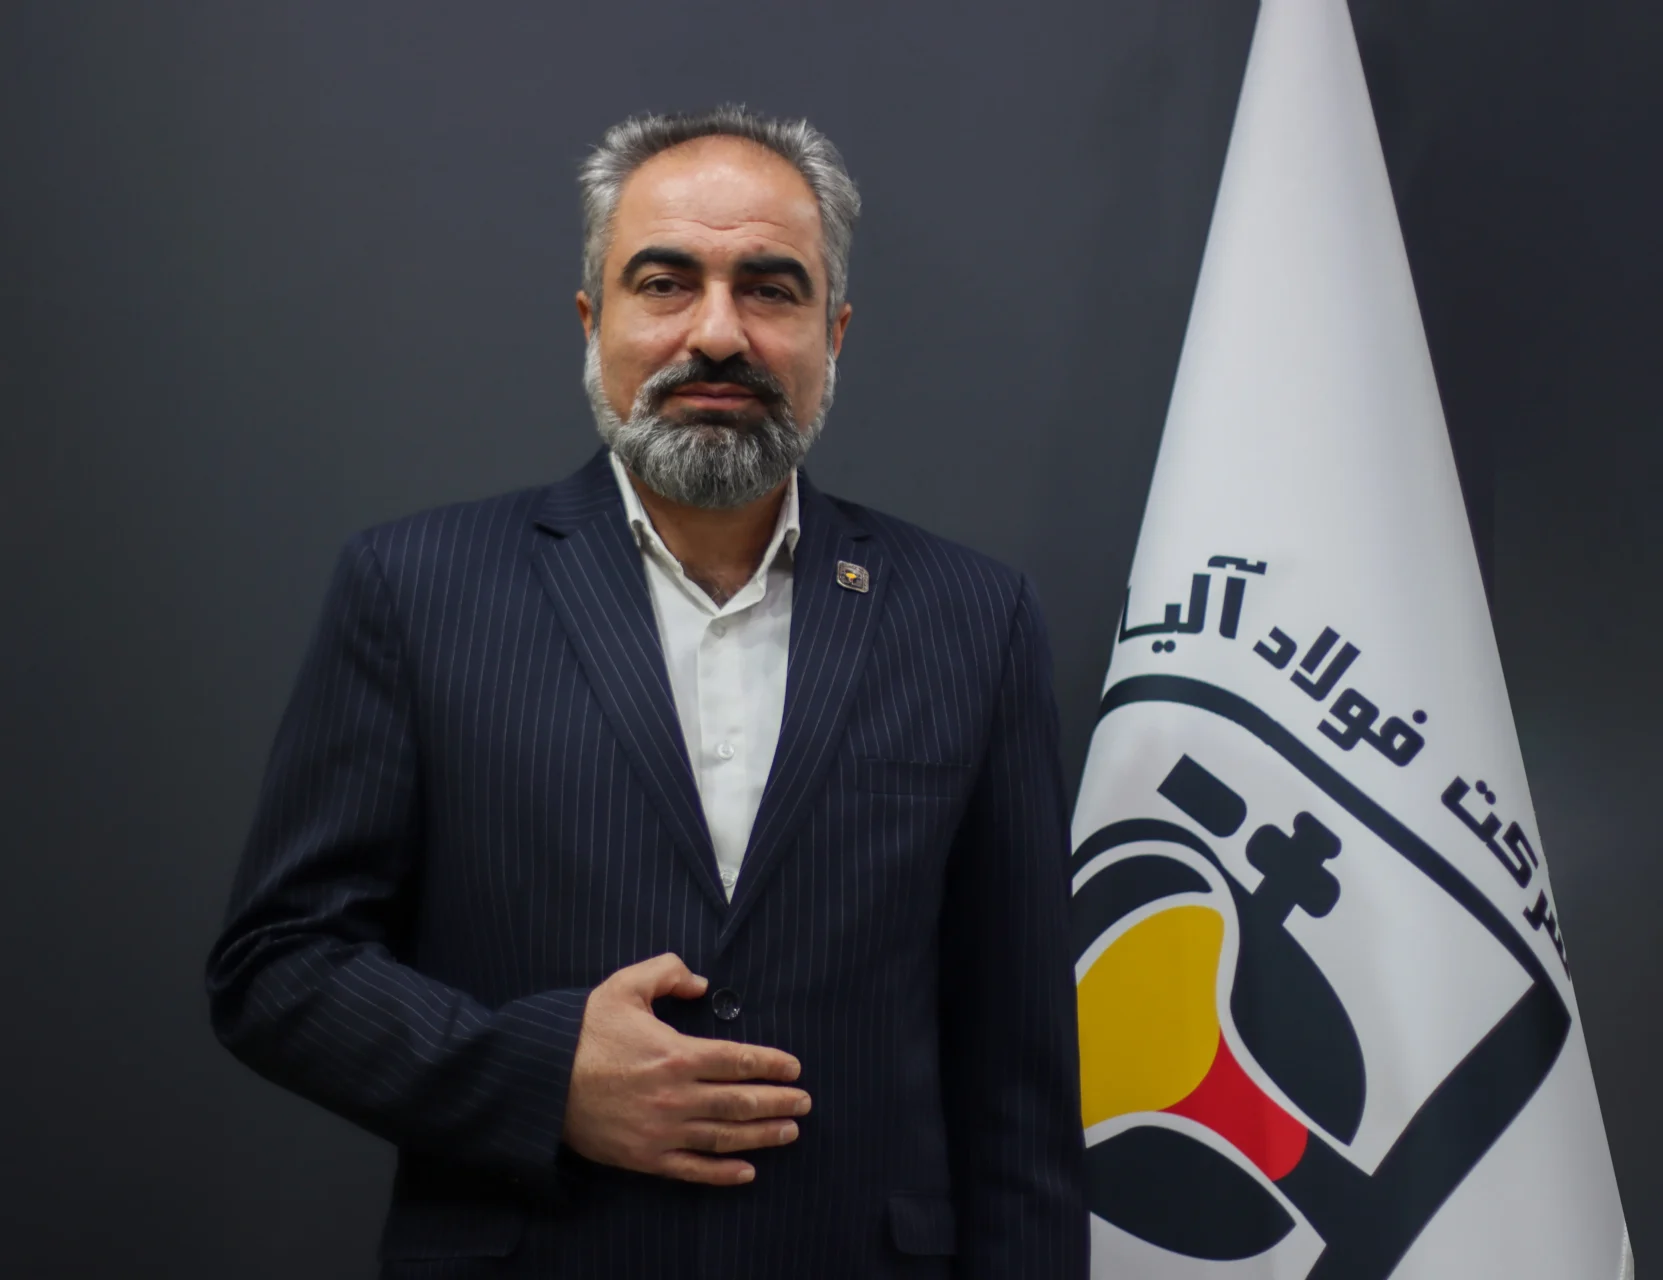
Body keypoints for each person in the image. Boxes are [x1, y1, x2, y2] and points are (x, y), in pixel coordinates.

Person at [206, 105, 1086, 1280]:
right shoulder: (414, 588)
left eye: (769, 289)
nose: (716, 333)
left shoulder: (975, 618)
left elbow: (1019, 1078)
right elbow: (277, 962)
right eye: (665, 284)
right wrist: (540, 1076)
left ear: (834, 332)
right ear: (593, 321)